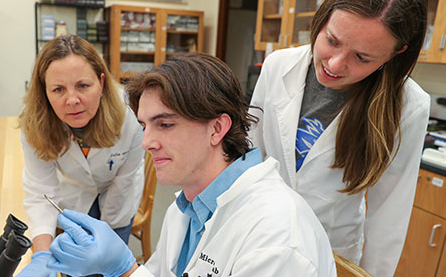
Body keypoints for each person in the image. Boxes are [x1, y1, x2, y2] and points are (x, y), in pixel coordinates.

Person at [36, 53, 337, 277]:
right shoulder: (188, 206)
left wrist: (125, 268)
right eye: (144, 126)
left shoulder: (277, 236)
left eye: (165, 124)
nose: (146, 143)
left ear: (217, 129)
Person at [248, 0, 430, 276]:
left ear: (395, 54)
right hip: (257, 234)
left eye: (362, 57)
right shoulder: (278, 65)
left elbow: (389, 215)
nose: (334, 64)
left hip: (330, 253)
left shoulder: (408, 106)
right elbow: (249, 157)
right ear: (322, 19)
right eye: (332, 40)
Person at [16, 34, 144, 277]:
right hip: (74, 191)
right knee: (75, 268)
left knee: (109, 267)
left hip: (118, 192)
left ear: (102, 82)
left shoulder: (130, 114)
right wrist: (41, 255)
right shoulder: (34, 121)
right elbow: (40, 191)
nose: (72, 100)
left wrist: (107, 240)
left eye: (83, 86)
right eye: (58, 89)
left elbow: (123, 181)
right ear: (44, 91)